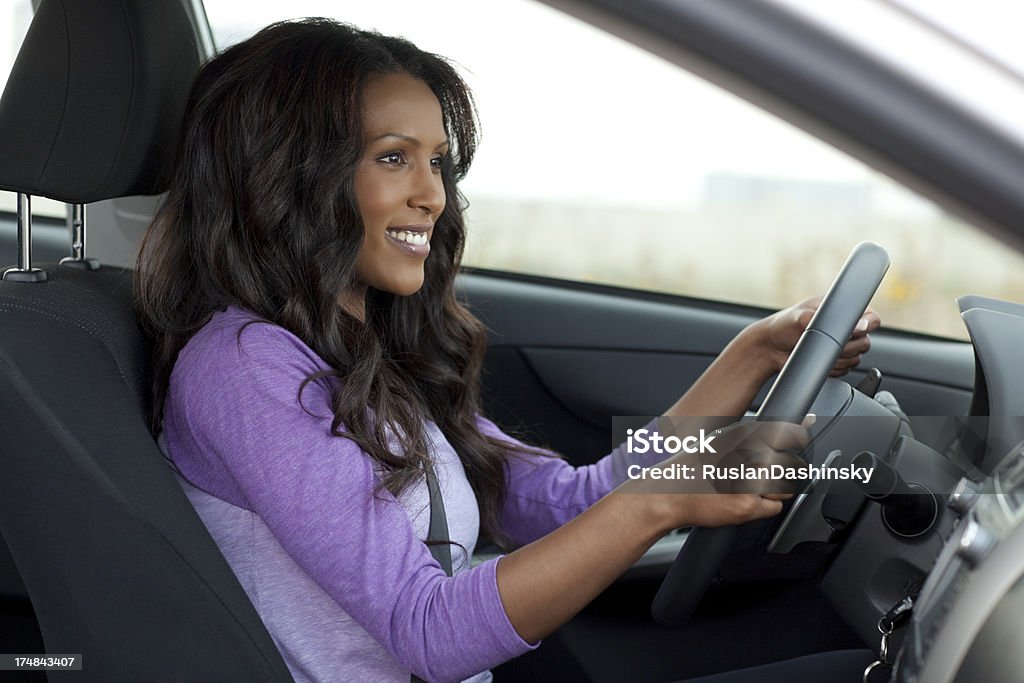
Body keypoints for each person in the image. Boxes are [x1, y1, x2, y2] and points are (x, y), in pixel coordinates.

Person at [135, 18, 880, 683]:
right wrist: (664, 498)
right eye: (395, 158)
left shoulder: (365, 355)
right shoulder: (242, 366)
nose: (433, 195)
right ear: (289, 172)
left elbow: (563, 507)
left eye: (439, 162)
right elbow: (425, 631)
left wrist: (748, 359)